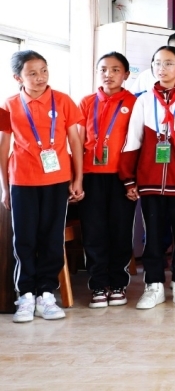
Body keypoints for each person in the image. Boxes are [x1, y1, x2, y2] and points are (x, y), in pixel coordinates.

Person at [119, 45, 175, 310]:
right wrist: (129, 178)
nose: (162, 68)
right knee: (153, 237)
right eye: (157, 63)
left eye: (169, 63)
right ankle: (154, 286)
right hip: (149, 181)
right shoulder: (144, 100)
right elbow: (133, 140)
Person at [1, 51, 83, 323]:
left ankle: (46, 293)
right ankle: (25, 295)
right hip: (22, 180)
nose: (40, 77)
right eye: (32, 73)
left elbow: (75, 141)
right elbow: (3, 145)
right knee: (24, 238)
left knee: (51, 237)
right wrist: (5, 187)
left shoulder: (63, 100)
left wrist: (78, 179)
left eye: (44, 70)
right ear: (18, 77)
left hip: (56, 180)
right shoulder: (8, 104)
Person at [78, 52, 138, 309]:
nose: (108, 74)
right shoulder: (86, 102)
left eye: (115, 70)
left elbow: (139, 143)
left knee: (120, 231)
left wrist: (133, 179)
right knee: (94, 232)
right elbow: (77, 141)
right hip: (91, 177)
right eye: (103, 69)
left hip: (121, 178)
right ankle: (98, 285)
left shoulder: (134, 102)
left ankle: (118, 284)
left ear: (126, 74)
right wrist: (77, 178)